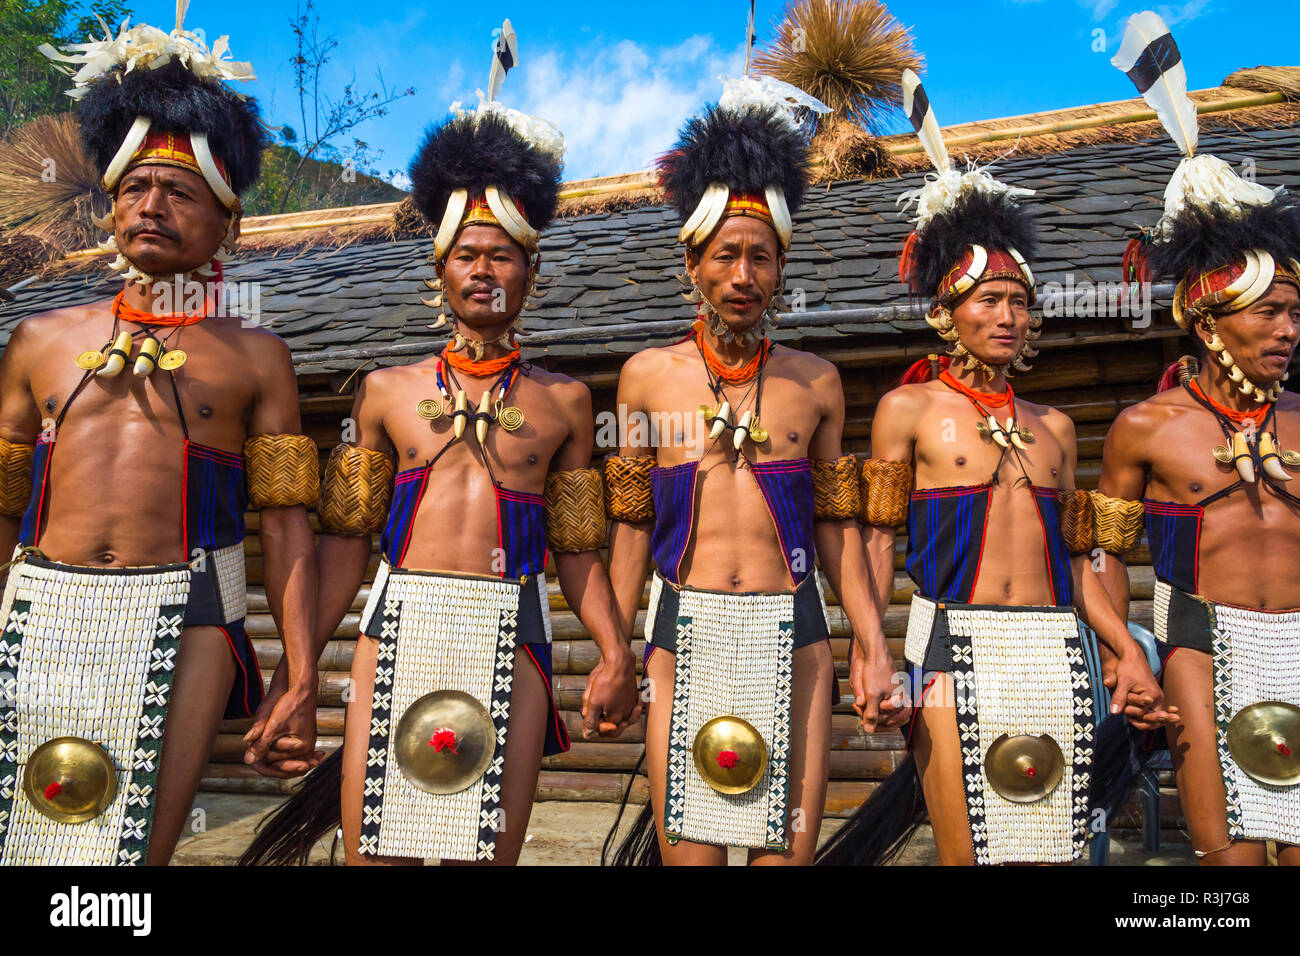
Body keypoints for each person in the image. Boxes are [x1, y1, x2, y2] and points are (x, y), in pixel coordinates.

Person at [241, 37, 640, 866]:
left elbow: (578, 551)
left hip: (513, 624)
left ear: (530, 272)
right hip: (401, 622)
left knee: (488, 850)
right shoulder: (386, 392)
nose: (484, 269)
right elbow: (348, 542)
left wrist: (612, 648)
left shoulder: (564, 402)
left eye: (503, 255)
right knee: (374, 851)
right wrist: (297, 667)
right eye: (468, 254)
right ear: (442, 267)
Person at [818, 69, 1171, 867]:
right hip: (950, 638)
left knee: (1049, 845)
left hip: (1054, 645)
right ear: (947, 311)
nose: (1007, 315)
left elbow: (1078, 564)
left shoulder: (1050, 428)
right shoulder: (910, 412)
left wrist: (1120, 648)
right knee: (964, 849)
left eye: (1019, 300)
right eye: (987, 300)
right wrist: (869, 647)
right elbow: (877, 542)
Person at [0, 11, 319, 865]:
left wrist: (298, 674)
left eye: (180, 193)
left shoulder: (257, 359)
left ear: (228, 223)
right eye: (135, 187)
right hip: (42, 607)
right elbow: (2, 501)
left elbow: (286, 522)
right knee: (28, 844)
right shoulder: (39, 342)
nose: (152, 205)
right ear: (109, 204)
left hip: (193, 614)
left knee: (133, 855)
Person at [603, 76, 902, 867]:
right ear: (693, 263)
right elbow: (632, 522)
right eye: (727, 256)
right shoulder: (647, 378)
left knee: (784, 856)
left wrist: (871, 643)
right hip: (683, 628)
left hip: (793, 630)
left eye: (761, 258)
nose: (744, 275)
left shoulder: (816, 384)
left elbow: (836, 526)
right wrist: (614, 646)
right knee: (691, 857)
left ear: (780, 269)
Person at [1093, 11, 1300, 865]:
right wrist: (1122, 654)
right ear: (1211, 322)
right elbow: (1101, 551)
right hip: (1200, 644)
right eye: (1272, 311)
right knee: (1231, 862)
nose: (1290, 328)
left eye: (1297, 312)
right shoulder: (1147, 428)